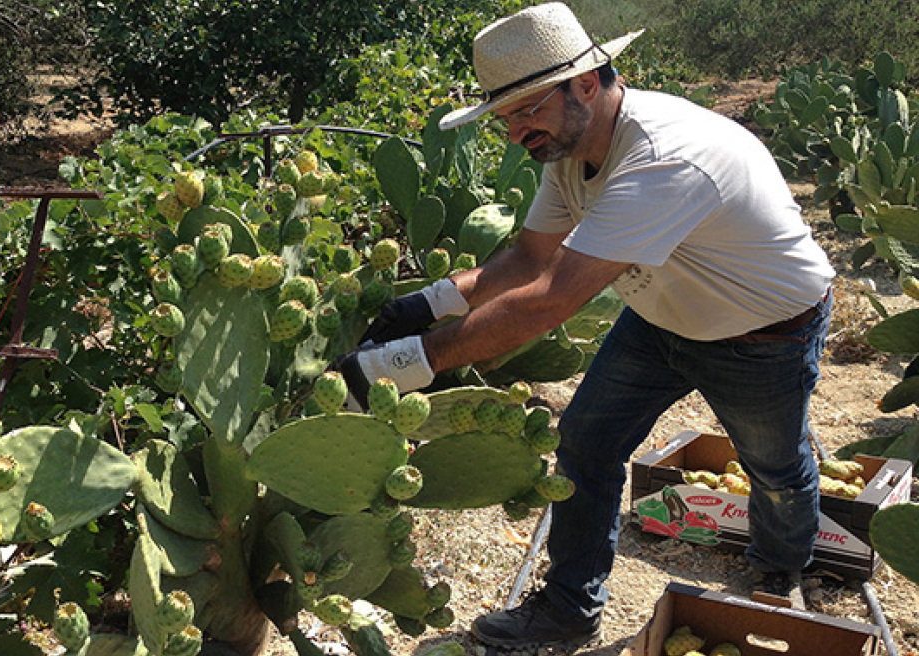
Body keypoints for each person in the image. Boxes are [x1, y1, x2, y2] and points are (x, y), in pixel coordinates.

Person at [337, 2, 835, 651]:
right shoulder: (569, 149)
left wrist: (390, 367)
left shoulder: (661, 159)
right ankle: (571, 609)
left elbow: (548, 300)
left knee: (774, 466)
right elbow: (527, 259)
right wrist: (421, 306)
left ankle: (781, 561)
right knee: (586, 444)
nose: (516, 131)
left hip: (763, 334)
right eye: (505, 116)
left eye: (528, 109)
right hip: (661, 319)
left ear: (585, 83)